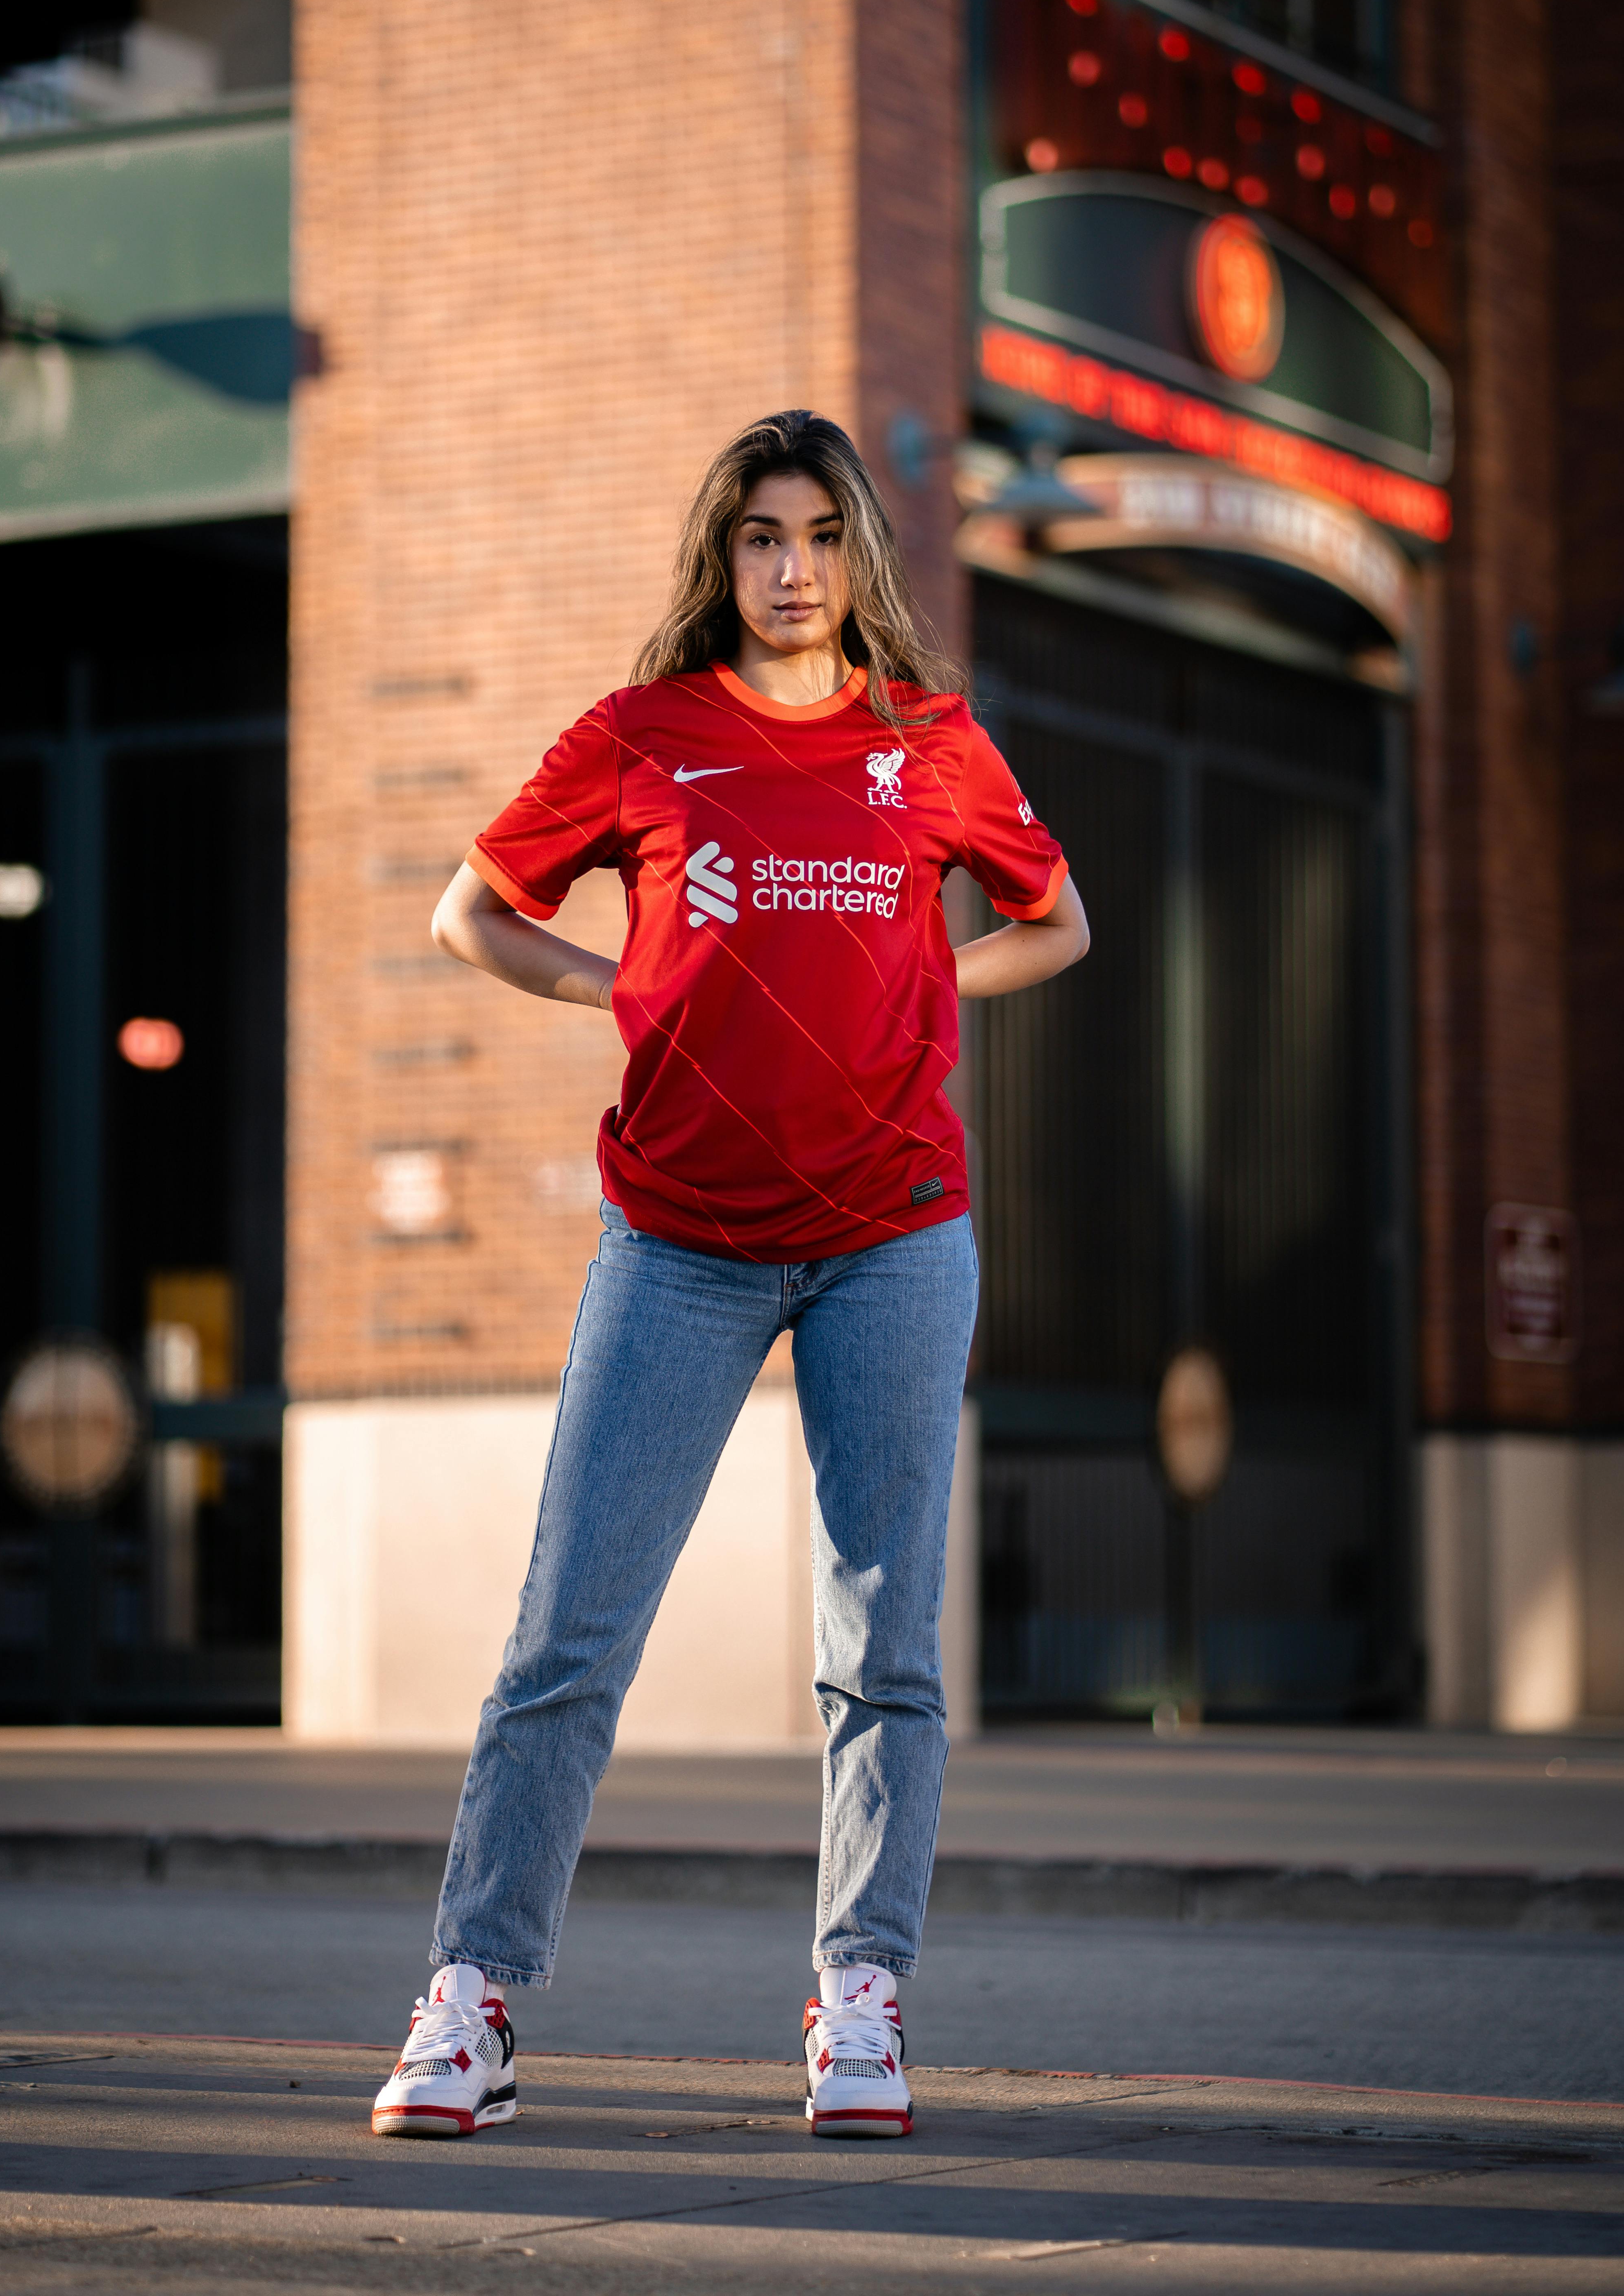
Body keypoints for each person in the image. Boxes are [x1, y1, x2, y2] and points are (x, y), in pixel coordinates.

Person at [371, 409, 1088, 2143]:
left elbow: (1056, 921)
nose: (792, 571)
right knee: (567, 1640)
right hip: (676, 1239)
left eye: (822, 537)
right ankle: (471, 2005)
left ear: (862, 558)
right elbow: (472, 909)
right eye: (763, 538)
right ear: (725, 555)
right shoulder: (641, 735)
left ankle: (862, 1998)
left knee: (882, 1647)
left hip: (894, 1236)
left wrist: (928, 997)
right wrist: (607, 988)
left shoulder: (930, 739)